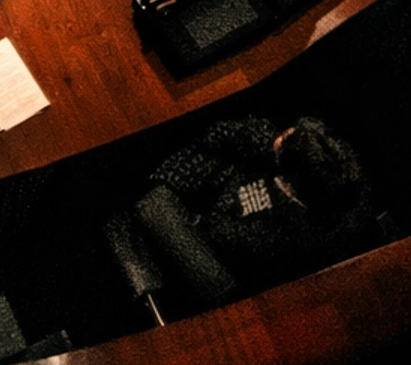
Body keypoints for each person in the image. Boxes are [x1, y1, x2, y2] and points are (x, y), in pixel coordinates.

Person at [149, 115, 370, 288]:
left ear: (290, 182)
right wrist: (270, 146)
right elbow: (217, 134)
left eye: (282, 143)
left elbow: (215, 232)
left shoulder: (277, 236)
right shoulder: (331, 175)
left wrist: (233, 174)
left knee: (151, 204)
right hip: (210, 184)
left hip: (200, 235)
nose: (279, 137)